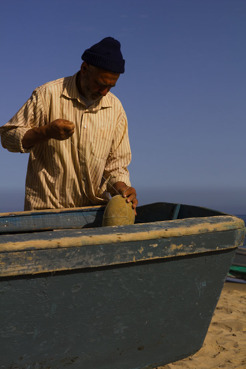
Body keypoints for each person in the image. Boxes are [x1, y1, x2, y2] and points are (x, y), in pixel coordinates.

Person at [0, 37, 138, 212]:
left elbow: (116, 166)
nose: (104, 92)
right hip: (45, 214)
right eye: (100, 84)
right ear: (84, 68)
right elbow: (7, 137)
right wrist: (45, 132)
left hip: (93, 214)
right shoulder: (47, 95)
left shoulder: (115, 109)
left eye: (111, 87)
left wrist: (122, 188)